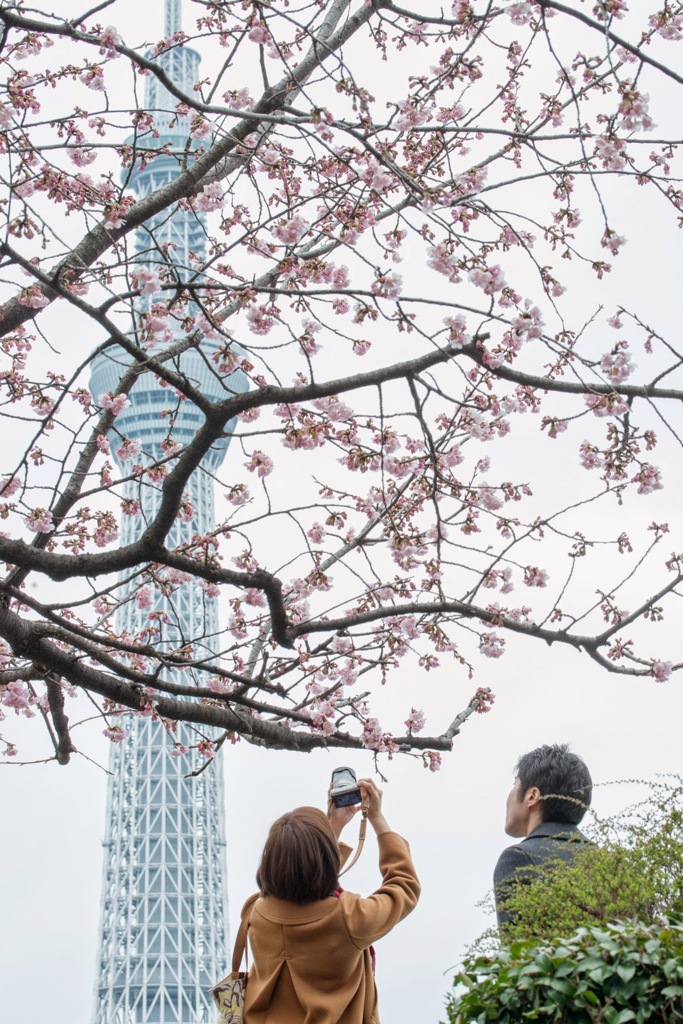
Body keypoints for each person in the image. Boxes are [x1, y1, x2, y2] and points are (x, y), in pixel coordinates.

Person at [236, 777, 420, 1024]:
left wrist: (333, 825)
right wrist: (376, 818)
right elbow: (403, 885)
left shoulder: (254, 911)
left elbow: (302, 881)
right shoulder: (351, 918)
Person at [493, 743, 594, 928]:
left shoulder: (518, 858)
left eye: (515, 785)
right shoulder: (606, 861)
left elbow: (518, 949)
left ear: (532, 796)